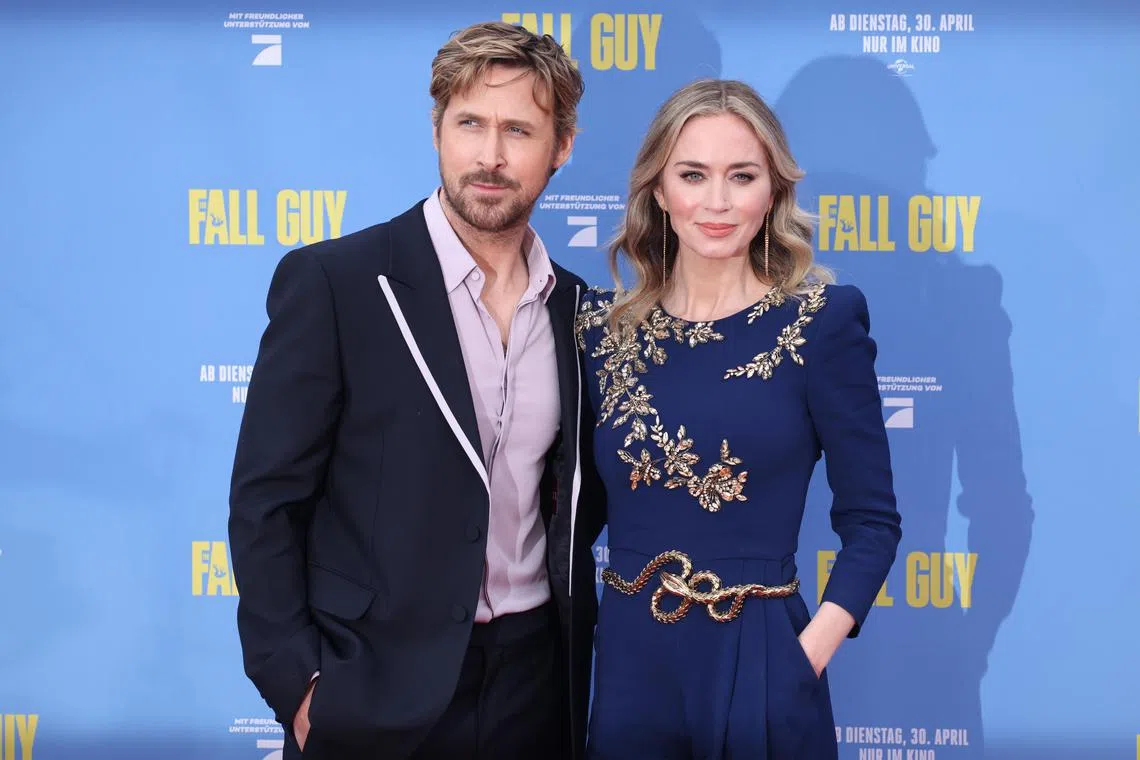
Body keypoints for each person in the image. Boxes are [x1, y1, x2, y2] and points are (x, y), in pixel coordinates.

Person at [228, 21, 603, 760]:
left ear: (561, 147)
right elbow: (265, 502)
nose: (490, 156)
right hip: (372, 682)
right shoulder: (337, 282)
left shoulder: (578, 309)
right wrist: (301, 688)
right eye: (470, 123)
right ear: (437, 129)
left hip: (536, 678)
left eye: (519, 130)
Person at [575, 78, 902, 759]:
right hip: (631, 660)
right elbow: (572, 513)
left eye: (742, 176)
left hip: (762, 658)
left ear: (773, 191)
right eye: (693, 175)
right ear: (659, 191)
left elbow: (872, 523)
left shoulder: (821, 323)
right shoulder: (601, 332)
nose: (717, 202)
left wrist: (802, 658)